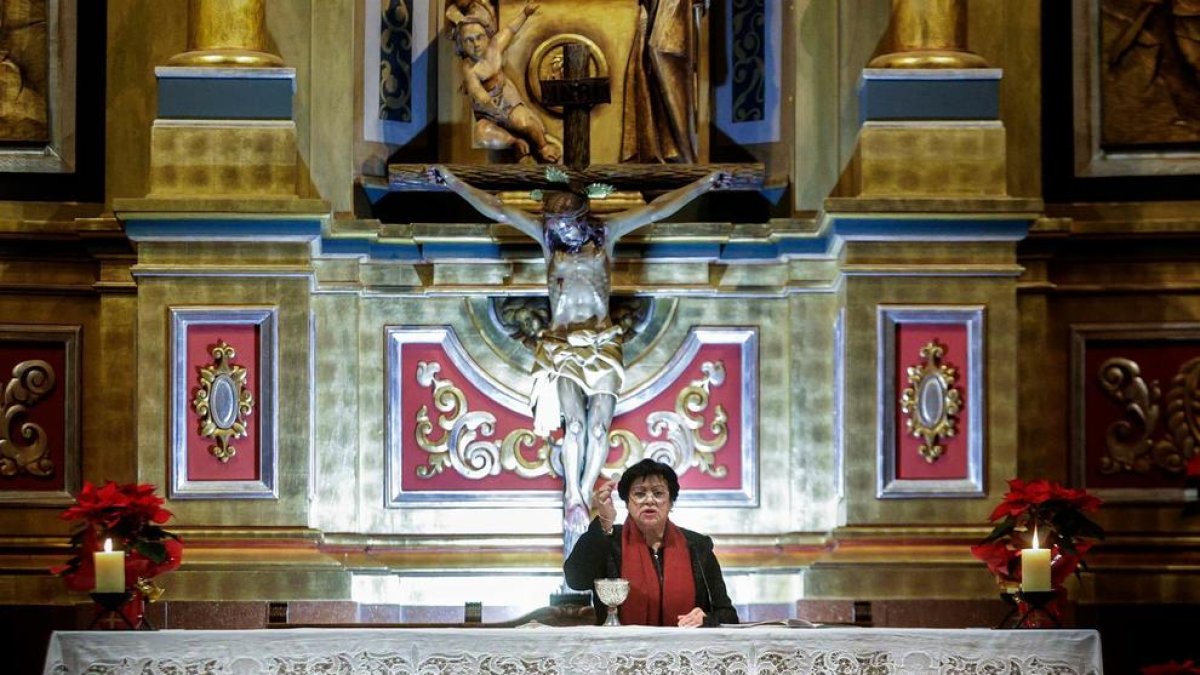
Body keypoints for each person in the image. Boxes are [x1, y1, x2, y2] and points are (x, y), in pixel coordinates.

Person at [426, 165, 729, 552]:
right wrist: (453, 182)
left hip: (602, 344)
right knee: (574, 427)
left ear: (580, 218)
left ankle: (583, 492)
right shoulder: (549, 241)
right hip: (562, 345)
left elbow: (655, 210)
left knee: (599, 429)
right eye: (554, 223)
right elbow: (499, 211)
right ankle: (573, 495)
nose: (560, 230)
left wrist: (703, 184)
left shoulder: (605, 236)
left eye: (565, 223)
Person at [563, 458, 738, 626]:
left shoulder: (698, 546)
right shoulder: (608, 540)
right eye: (639, 494)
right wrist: (603, 523)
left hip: (685, 651)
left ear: (670, 502)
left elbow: (728, 615)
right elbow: (576, 580)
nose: (649, 500)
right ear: (627, 503)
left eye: (658, 493)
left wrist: (707, 619)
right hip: (620, 652)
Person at [453, 2, 561, 163]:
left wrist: (525, 13)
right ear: (461, 44)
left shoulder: (495, 47)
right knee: (482, 135)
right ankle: (515, 143)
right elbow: (474, 87)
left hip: (508, 103)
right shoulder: (469, 67)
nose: (476, 44)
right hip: (487, 112)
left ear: (487, 36)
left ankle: (543, 146)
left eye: (479, 37)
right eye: (468, 40)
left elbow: (510, 29)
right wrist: (483, 98)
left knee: (526, 123)